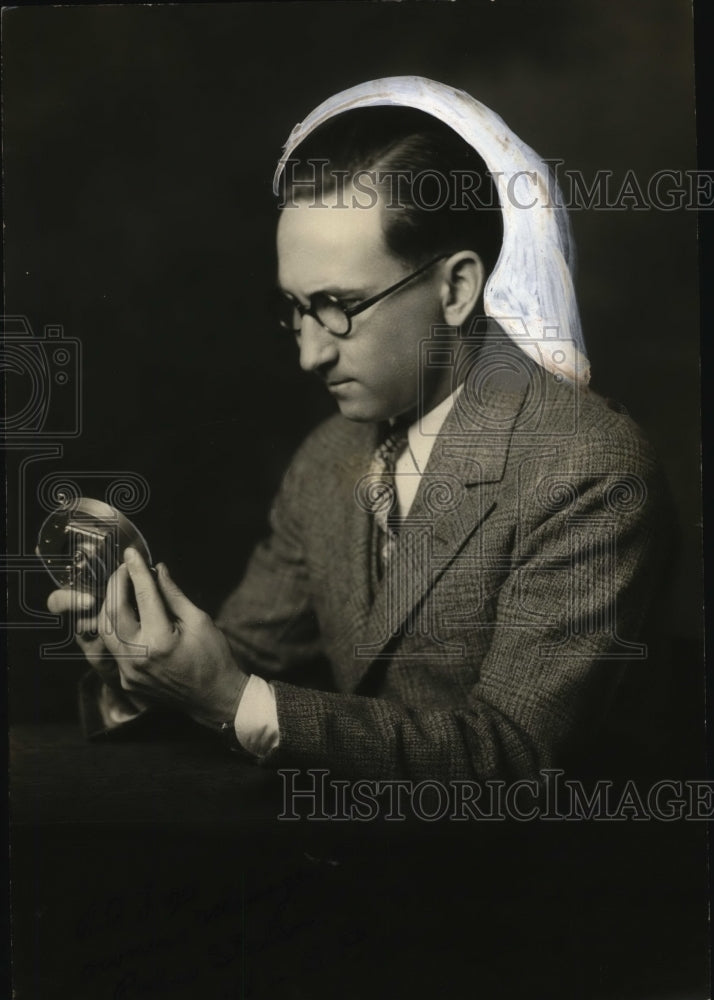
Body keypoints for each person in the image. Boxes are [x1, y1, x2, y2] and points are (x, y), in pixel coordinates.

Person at [47, 77, 671, 783]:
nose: (310, 353)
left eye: (339, 306)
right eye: (295, 308)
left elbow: (515, 756)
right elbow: (243, 660)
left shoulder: (589, 468)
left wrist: (225, 697)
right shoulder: (330, 458)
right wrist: (140, 668)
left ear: (458, 288)